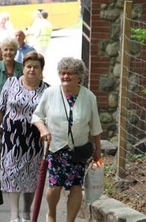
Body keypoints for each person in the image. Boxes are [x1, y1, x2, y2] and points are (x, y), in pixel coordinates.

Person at [31, 57, 102, 222]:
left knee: (76, 187)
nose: (66, 77)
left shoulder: (89, 97)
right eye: (63, 73)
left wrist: (98, 152)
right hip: (55, 148)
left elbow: (96, 127)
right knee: (55, 187)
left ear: (79, 76)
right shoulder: (50, 93)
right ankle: (51, 213)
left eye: (70, 73)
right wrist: (43, 130)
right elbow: (36, 116)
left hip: (78, 150)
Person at [0, 52, 49, 222]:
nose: (31, 70)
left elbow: (49, 116)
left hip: (34, 140)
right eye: (28, 66)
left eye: (36, 67)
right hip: (11, 138)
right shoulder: (11, 83)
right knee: (11, 173)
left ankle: (26, 212)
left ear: (41, 70)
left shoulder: (47, 90)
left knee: (32, 176)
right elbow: (0, 109)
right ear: (23, 68)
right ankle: (14, 215)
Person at [0, 38, 23, 107]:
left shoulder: (22, 68)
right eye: (6, 49)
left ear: (16, 52)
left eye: (11, 50)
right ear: (2, 52)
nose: (8, 52)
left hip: (17, 109)